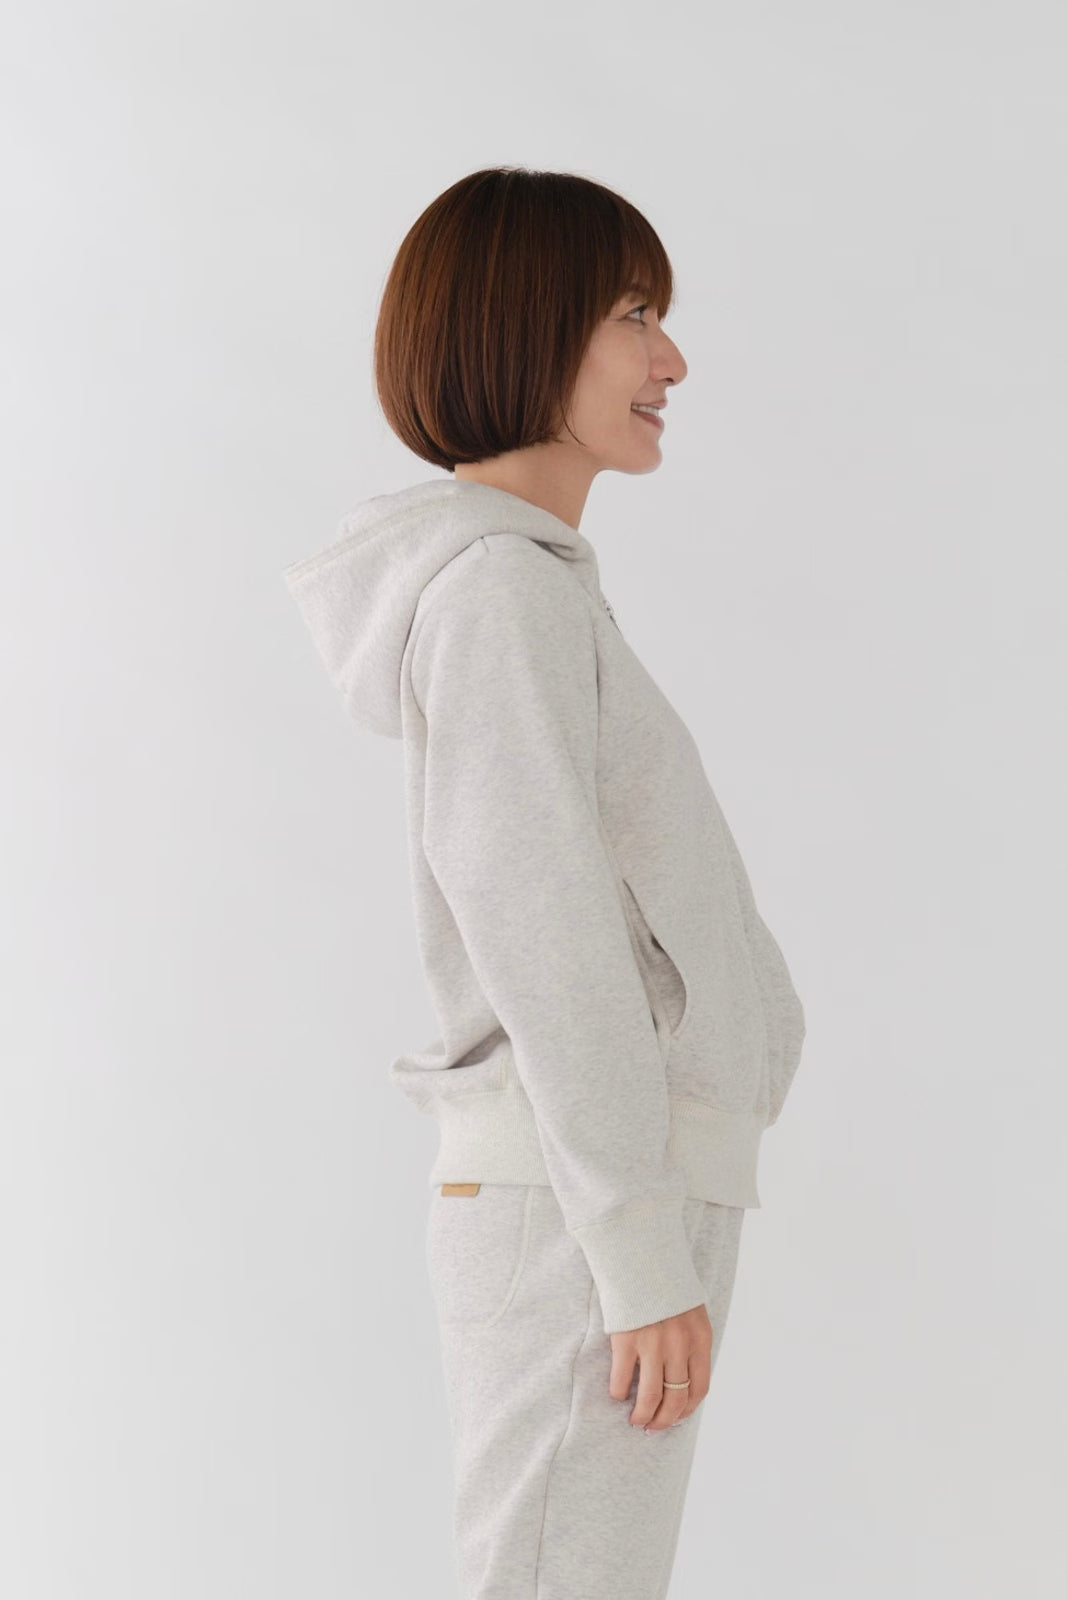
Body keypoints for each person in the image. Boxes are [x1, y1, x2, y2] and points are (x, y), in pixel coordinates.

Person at [283, 165, 807, 1600]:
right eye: (633, 313)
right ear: (522, 327)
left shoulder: (532, 586)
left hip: (605, 1188)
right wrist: (635, 1249)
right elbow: (547, 934)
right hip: (585, 1203)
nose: (671, 358)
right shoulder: (500, 598)